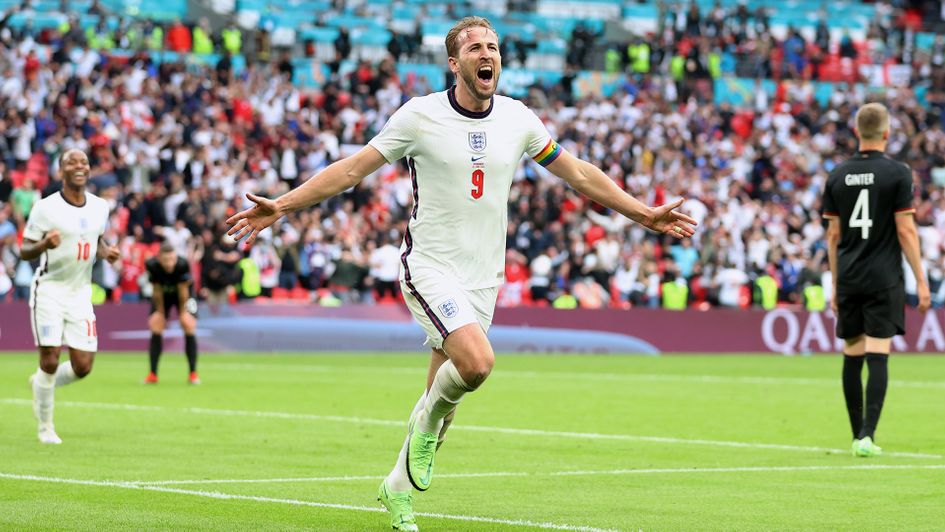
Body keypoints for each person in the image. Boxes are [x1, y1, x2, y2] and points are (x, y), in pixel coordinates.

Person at [226, 16, 696, 531]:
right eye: (474, 47)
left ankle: (397, 491)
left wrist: (643, 213)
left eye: (492, 46)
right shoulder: (420, 116)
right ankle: (421, 439)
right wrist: (284, 206)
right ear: (455, 63)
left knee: (441, 404)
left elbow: (578, 173)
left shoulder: (518, 119)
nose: (486, 53)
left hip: (482, 278)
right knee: (475, 365)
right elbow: (353, 169)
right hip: (429, 267)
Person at [822, 103, 930, 458]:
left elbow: (833, 236)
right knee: (878, 354)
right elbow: (906, 230)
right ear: (886, 133)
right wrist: (922, 280)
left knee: (851, 353)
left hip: (850, 276)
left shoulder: (837, 174)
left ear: (857, 132)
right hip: (884, 277)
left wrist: (835, 285)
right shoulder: (898, 173)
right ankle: (868, 435)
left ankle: (856, 436)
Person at [21, 149, 120, 444]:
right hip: (50, 289)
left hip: (80, 293)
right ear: (60, 171)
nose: (79, 166)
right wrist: (43, 244)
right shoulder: (45, 208)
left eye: (84, 162)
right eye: (71, 162)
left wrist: (106, 252)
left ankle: (40, 383)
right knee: (50, 360)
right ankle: (45, 427)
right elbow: (25, 250)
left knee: (83, 367)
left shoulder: (100, 206)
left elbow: (97, 239)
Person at [143, 241, 200, 385]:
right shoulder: (152, 265)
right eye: (166, 260)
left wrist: (182, 313)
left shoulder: (182, 265)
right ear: (159, 258)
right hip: (163, 295)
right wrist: (161, 313)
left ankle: (193, 373)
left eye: (172, 259)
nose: (170, 263)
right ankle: (153, 374)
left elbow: (183, 293)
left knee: (188, 324)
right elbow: (156, 291)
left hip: (185, 294)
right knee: (156, 324)